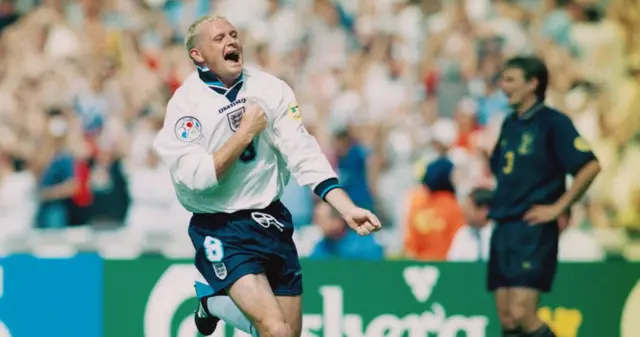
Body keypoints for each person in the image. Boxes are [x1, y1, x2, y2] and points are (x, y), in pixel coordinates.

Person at [152, 15, 382, 337]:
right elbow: (199, 177)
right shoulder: (186, 107)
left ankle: (212, 302)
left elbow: (303, 151)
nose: (231, 41)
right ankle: (214, 301)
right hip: (220, 226)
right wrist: (245, 132)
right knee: (275, 329)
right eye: (218, 38)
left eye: (233, 35)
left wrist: (345, 207)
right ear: (198, 55)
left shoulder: (271, 89)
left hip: (271, 219)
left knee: (287, 332)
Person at [487, 56, 601, 337]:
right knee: (507, 317)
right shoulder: (510, 124)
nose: (503, 86)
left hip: (533, 228)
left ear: (532, 84)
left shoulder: (553, 122)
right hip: (504, 226)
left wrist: (559, 207)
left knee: (522, 312)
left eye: (510, 80)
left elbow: (590, 165)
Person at [309, 202, 384, 260]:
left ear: (338, 221)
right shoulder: (321, 247)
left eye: (321, 219)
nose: (315, 223)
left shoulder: (365, 245)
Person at [447, 187, 495, 262]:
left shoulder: (498, 234)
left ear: (484, 210)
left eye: (468, 208)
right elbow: (452, 264)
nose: (464, 212)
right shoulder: (462, 233)